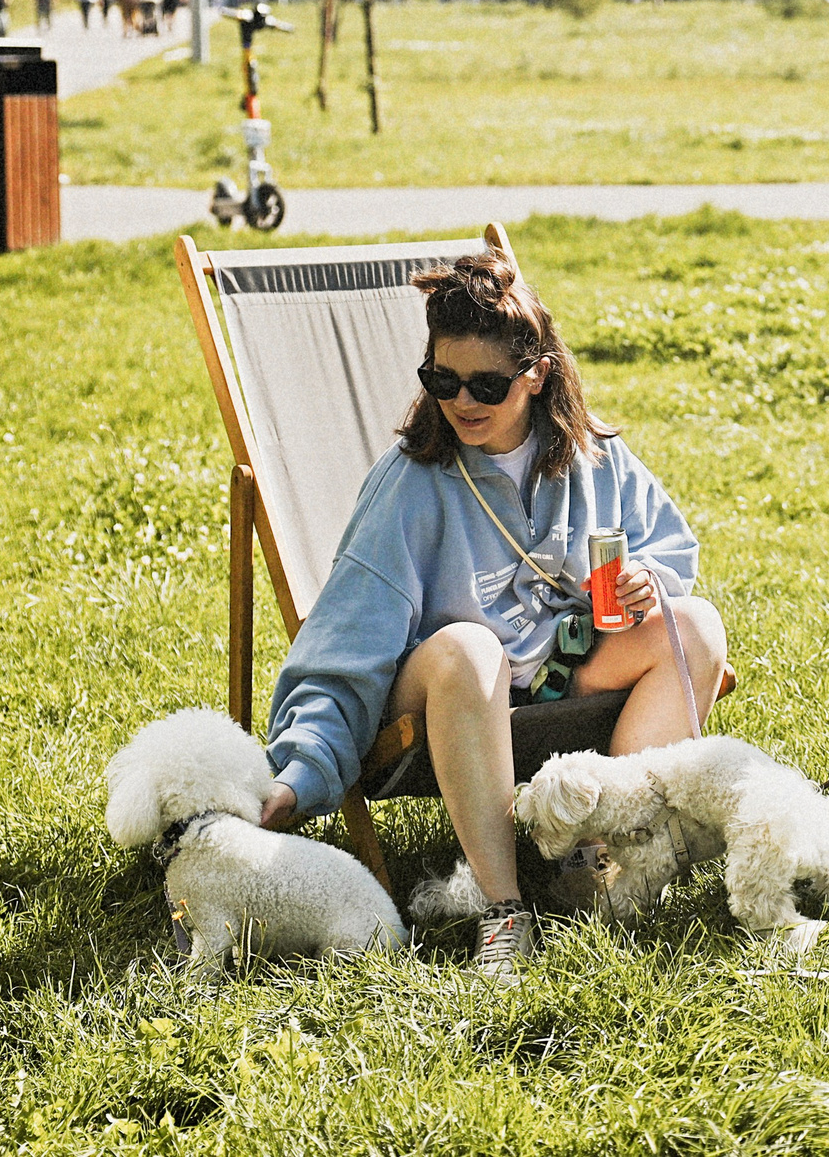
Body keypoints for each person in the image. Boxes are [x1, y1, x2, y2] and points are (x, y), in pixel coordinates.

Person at [260, 252, 727, 977]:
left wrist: (647, 581)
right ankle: (503, 908)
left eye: (486, 384)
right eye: (441, 381)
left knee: (694, 623)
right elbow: (342, 645)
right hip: (451, 697)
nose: (462, 401)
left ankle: (603, 860)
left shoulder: (593, 456)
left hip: (557, 678)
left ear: (536, 373)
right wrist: (301, 771)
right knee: (471, 647)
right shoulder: (409, 485)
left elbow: (669, 547)